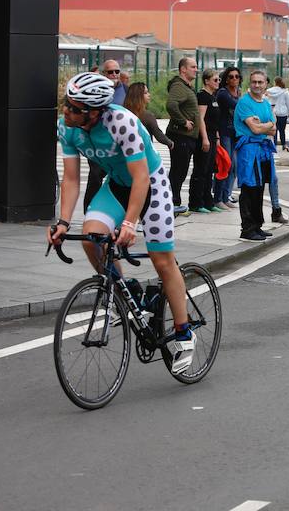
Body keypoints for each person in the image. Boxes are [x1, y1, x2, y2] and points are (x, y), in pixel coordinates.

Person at [48, 72, 196, 374]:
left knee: (162, 259)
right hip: (116, 185)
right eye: (67, 104)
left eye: (75, 108)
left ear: (95, 112)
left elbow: (141, 178)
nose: (67, 111)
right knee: (91, 238)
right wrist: (63, 221)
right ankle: (126, 289)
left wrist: (129, 224)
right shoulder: (67, 126)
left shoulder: (122, 122)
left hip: (150, 184)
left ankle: (184, 333)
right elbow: (72, 179)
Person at [235, 70, 276, 241]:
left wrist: (265, 125)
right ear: (249, 83)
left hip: (263, 150)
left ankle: (257, 225)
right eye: (254, 82)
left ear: (266, 83)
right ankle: (247, 228)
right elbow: (255, 129)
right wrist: (268, 125)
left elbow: (273, 129)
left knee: (260, 188)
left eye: (260, 82)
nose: (257, 85)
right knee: (249, 188)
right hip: (249, 150)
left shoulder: (265, 103)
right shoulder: (244, 103)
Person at [83, 60, 130, 212]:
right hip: (99, 142)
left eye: (117, 71)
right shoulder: (96, 90)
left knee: (121, 179)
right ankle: (88, 211)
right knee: (95, 177)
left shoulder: (126, 90)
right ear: (104, 74)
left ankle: (121, 214)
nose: (115, 74)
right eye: (111, 72)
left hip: (120, 144)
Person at [166, 57, 203, 215]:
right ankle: (172, 204)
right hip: (180, 135)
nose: (196, 69)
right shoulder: (179, 86)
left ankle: (173, 202)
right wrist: (183, 122)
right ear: (183, 69)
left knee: (180, 171)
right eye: (193, 67)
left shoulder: (186, 87)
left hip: (186, 137)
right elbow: (171, 105)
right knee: (178, 171)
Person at [189, 68, 222, 213]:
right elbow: (200, 118)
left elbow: (215, 120)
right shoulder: (202, 96)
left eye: (219, 79)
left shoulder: (213, 97)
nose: (218, 82)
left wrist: (217, 137)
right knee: (201, 170)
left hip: (213, 136)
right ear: (206, 81)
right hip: (204, 136)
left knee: (210, 170)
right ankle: (196, 203)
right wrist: (205, 138)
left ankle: (208, 201)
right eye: (215, 80)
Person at [213, 66, 242, 209]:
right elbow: (238, 106)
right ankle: (218, 198)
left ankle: (226, 196)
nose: (234, 79)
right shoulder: (223, 93)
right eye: (231, 76)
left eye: (237, 76)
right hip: (224, 132)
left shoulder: (238, 92)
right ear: (226, 79)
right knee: (225, 165)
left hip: (235, 133)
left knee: (235, 167)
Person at [124, 82, 174, 150]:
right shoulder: (147, 116)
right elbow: (158, 135)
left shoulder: (123, 112)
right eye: (146, 93)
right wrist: (170, 143)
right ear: (138, 96)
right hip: (144, 152)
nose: (149, 95)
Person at [266, 77, 289, 151]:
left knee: (274, 129)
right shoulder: (285, 92)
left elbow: (267, 100)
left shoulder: (269, 91)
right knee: (282, 130)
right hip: (283, 113)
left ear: (275, 82)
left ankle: (274, 144)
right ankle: (283, 144)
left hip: (273, 112)